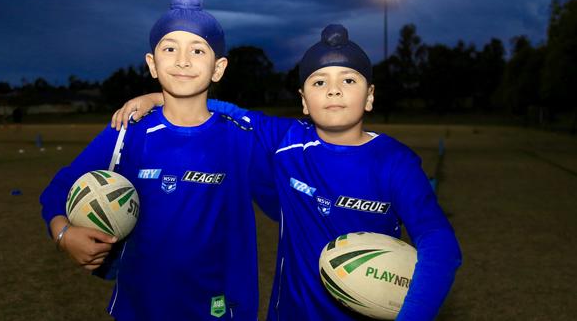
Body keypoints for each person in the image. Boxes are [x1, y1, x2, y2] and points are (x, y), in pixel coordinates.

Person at [113, 24, 462, 321]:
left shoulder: (394, 162)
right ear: (304, 101)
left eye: (349, 80)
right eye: (319, 82)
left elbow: (439, 243)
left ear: (370, 96)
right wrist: (158, 98)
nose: (334, 89)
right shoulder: (287, 141)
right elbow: (229, 111)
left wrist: (414, 313)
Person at [41, 0, 275, 320]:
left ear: (218, 67)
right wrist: (64, 232)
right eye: (169, 49)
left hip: (222, 310)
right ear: (152, 63)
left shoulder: (240, 139)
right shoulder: (128, 130)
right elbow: (61, 187)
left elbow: (289, 206)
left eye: (197, 50)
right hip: (140, 309)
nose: (182, 60)